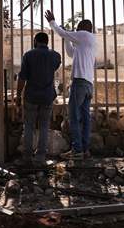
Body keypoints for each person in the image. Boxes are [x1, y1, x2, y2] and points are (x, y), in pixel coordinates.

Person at [45, 10, 96, 161]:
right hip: (88, 84)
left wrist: (53, 23)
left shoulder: (85, 35)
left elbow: (62, 33)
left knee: (73, 116)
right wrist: (67, 37)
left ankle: (77, 150)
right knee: (85, 117)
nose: (77, 31)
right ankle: (85, 149)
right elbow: (70, 53)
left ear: (82, 28)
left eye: (78, 28)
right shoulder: (90, 42)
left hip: (79, 82)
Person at [15, 32, 61, 167]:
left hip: (31, 96)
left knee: (28, 125)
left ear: (35, 41)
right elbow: (56, 65)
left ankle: (27, 157)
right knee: (44, 126)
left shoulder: (28, 55)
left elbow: (22, 77)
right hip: (47, 96)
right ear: (47, 42)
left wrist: (18, 95)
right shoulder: (55, 55)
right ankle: (40, 157)